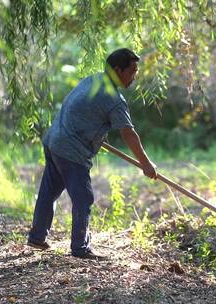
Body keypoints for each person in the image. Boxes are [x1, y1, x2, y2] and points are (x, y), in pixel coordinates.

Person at [27, 48, 157, 259]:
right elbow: (128, 133)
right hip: (70, 150)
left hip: (54, 140)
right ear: (118, 70)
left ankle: (37, 237)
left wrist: (93, 133)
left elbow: (79, 109)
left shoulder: (92, 80)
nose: (134, 76)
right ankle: (80, 248)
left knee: (49, 192)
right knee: (84, 198)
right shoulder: (114, 99)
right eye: (132, 71)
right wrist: (147, 164)